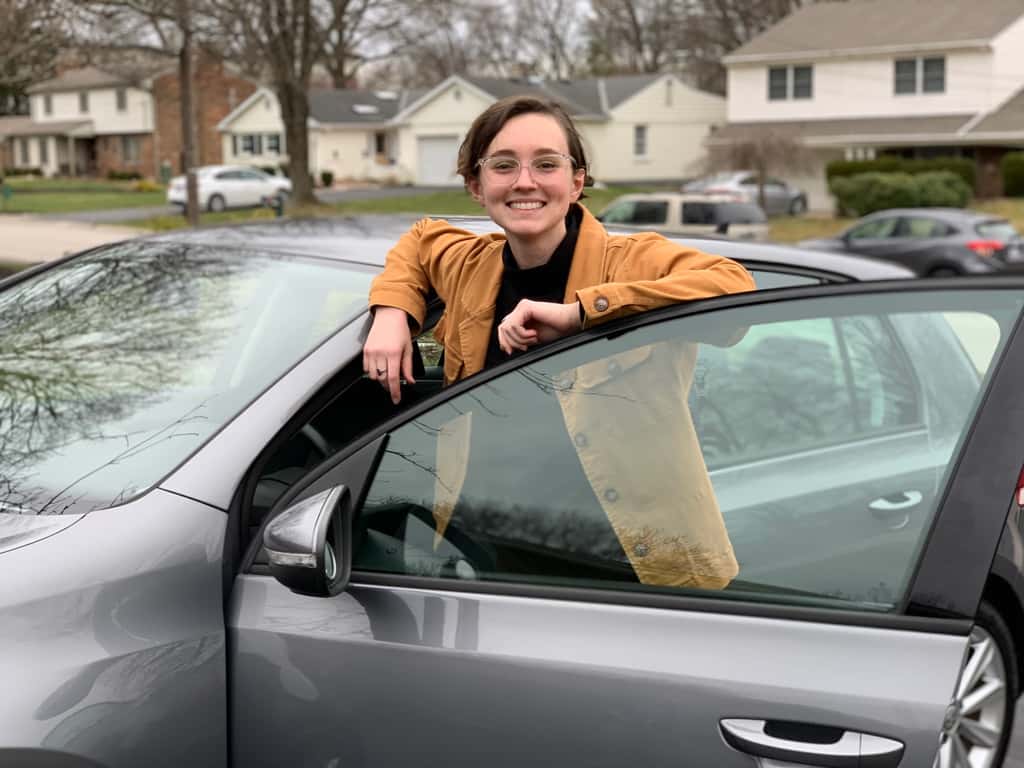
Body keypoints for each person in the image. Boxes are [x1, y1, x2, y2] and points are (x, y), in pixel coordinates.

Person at [363, 95, 756, 589]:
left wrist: (582, 315)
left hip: (633, 571)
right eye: (503, 166)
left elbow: (734, 287)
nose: (525, 181)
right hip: (490, 560)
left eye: (546, 164)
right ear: (476, 186)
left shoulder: (633, 260)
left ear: (576, 182)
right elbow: (420, 241)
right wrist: (392, 312)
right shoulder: (469, 267)